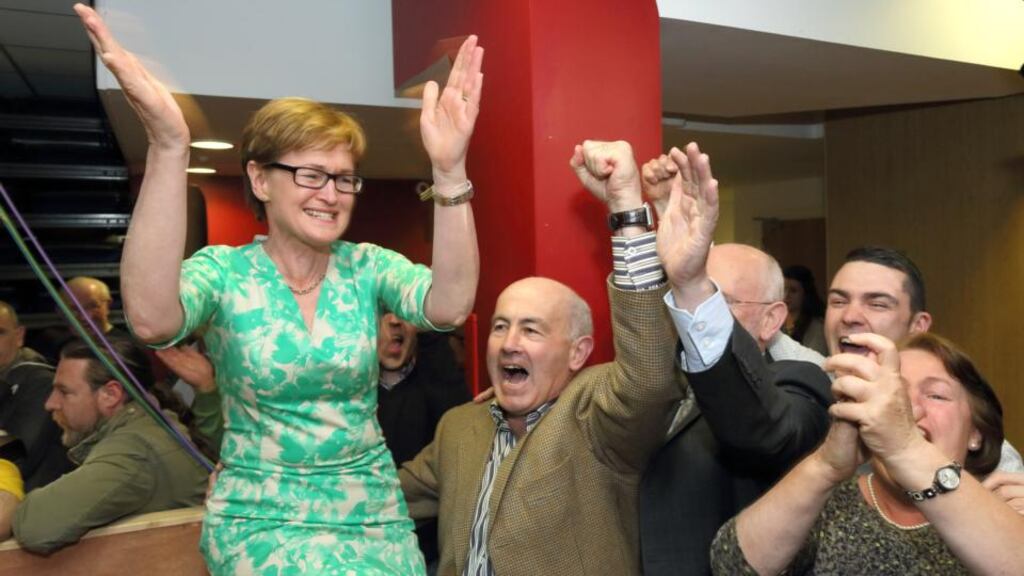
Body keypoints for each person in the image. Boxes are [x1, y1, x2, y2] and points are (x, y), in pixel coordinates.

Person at [74, 3, 482, 573]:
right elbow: (150, 319)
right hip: (260, 520)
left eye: (343, 178)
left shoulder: (367, 267)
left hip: (370, 515)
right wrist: (170, 145)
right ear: (261, 179)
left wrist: (449, 170)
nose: (331, 193)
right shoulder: (225, 272)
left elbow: (450, 305)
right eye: (310, 174)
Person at [398, 140, 690, 575]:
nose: (509, 342)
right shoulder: (459, 428)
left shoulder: (597, 418)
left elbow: (649, 372)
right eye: (500, 326)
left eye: (531, 329)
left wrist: (627, 206)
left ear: (578, 353)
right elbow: (381, 495)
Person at [634, 154, 833, 575]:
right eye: (690, 298)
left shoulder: (803, 383)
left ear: (772, 319)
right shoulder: (653, 375)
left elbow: (760, 428)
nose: (695, 312)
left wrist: (692, 284)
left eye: (717, 302)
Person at [712, 332, 1024, 575]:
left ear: (975, 433)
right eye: (897, 394)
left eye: (936, 395)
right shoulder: (829, 505)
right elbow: (732, 566)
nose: (908, 410)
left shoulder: (1003, 510)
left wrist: (904, 445)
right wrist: (826, 466)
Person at [824, 246, 1024, 476]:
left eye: (877, 304)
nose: (849, 317)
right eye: (838, 302)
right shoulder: (805, 392)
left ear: (917, 327)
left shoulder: (971, 447)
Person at [6, 337, 207, 554]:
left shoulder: (134, 449)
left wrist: (7, 477)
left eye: (64, 392)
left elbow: (35, 526)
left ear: (111, 395)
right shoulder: (148, 426)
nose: (50, 403)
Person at [376, 312, 470, 566]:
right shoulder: (351, 393)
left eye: (405, 314)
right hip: (366, 544)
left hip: (426, 551)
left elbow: (459, 426)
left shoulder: (436, 383)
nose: (395, 321)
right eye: (384, 311)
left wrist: (428, 325)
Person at [0, 301, 72, 491]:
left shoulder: (41, 382)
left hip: (33, 504)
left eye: (0, 332)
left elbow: (18, 458)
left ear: (19, 336)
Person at [782, 265, 828, 355]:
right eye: (784, 289)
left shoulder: (817, 327)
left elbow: (813, 363)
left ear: (805, 294)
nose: (786, 295)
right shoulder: (777, 321)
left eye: (793, 291)